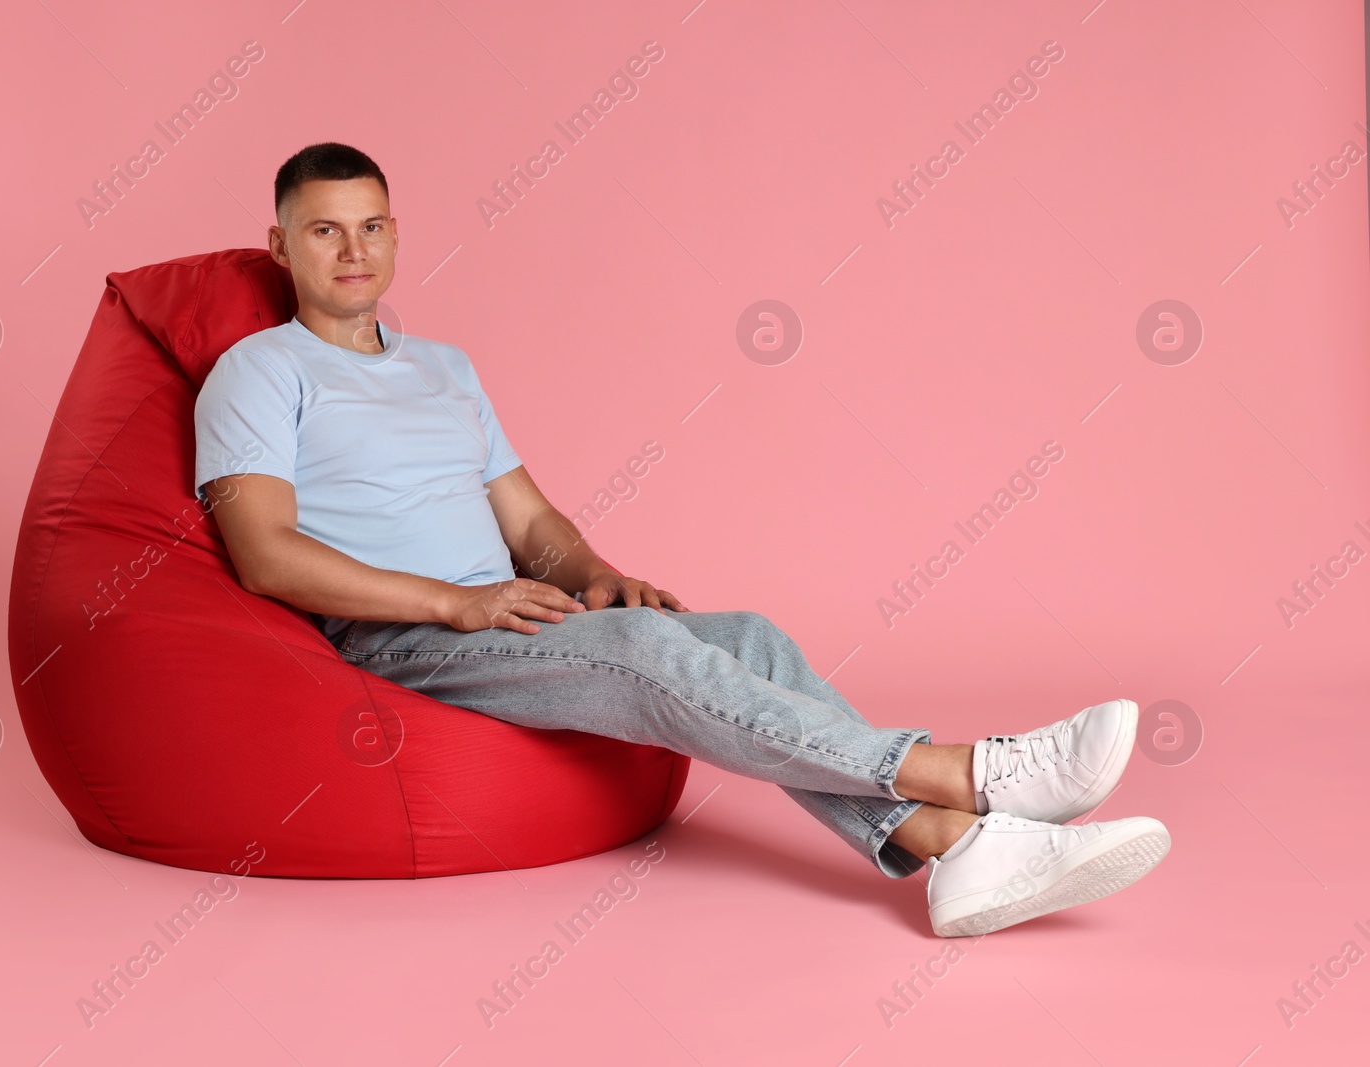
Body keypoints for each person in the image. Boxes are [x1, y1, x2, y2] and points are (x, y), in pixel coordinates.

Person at [192, 142, 1170, 937]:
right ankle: (971, 774)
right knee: (648, 652)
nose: (351, 250)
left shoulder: (444, 368)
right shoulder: (260, 372)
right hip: (404, 637)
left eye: (370, 227)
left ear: (395, 237)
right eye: (324, 230)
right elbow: (264, 552)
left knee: (743, 635)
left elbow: (529, 520)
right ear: (279, 243)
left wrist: (600, 576)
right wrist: (458, 601)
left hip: (512, 617)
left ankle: (955, 849)